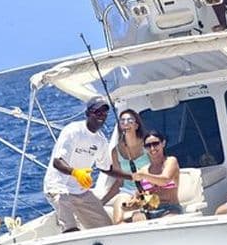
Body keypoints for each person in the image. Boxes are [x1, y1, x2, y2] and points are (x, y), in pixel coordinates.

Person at [43, 96, 132, 233]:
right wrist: (76, 173)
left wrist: (133, 176)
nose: (101, 116)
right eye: (97, 112)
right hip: (59, 188)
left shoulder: (100, 140)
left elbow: (107, 168)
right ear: (88, 113)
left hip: (81, 191)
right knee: (71, 230)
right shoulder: (73, 131)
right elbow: (57, 162)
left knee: (107, 229)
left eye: (104, 113)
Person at [114, 130, 182, 223]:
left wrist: (143, 175)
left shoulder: (170, 161)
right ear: (145, 148)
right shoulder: (144, 169)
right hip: (149, 212)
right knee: (124, 223)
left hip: (170, 210)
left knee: (163, 223)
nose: (152, 148)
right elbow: (140, 196)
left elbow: (165, 180)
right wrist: (131, 203)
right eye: (148, 146)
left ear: (163, 143)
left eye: (155, 144)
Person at [101, 109, 149, 207]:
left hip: (150, 189)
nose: (126, 123)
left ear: (136, 125)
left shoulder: (148, 145)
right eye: (122, 121)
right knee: (119, 217)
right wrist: (102, 202)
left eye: (130, 120)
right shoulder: (115, 151)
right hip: (127, 192)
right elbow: (119, 181)